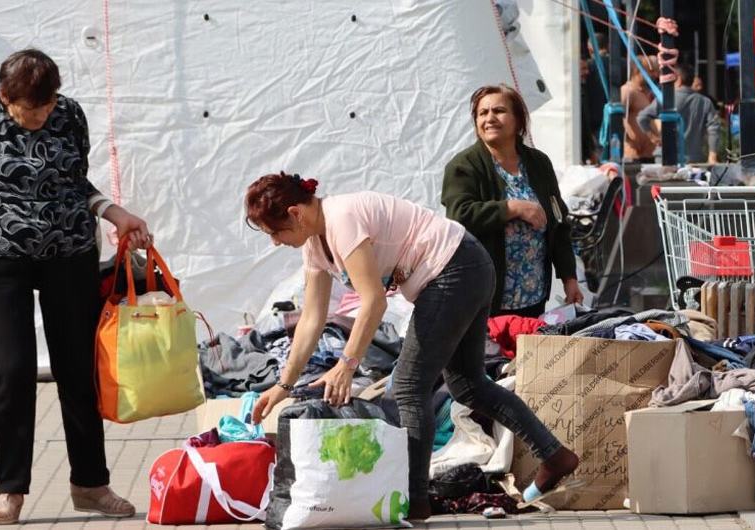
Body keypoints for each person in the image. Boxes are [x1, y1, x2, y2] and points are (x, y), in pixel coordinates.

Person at [245, 173, 580, 521]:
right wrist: (283, 385)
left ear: (296, 213)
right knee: (468, 386)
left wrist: (347, 363)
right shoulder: (316, 244)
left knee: (407, 385)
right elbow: (312, 318)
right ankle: (554, 455)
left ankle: (415, 499)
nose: (274, 242)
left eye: (275, 232)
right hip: (466, 265)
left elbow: (374, 300)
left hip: (456, 267)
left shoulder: (341, 219)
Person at [0, 49, 147, 525]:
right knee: (12, 373)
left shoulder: (70, 114)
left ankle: (90, 484)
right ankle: (11, 490)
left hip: (69, 255)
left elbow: (77, 183)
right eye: (29, 110)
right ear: (4, 97)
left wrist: (115, 213)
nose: (39, 116)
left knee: (78, 371)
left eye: (46, 106)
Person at [442, 85, 583, 317]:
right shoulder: (464, 166)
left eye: (498, 110)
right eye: (482, 113)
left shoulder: (539, 164)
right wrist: (512, 208)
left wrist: (569, 278)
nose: (489, 118)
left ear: (518, 120)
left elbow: (558, 222)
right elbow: (459, 215)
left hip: (533, 294)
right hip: (484, 297)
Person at [638, 63, 721, 164]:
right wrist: (712, 155)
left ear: (679, 79)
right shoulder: (705, 102)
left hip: (665, 157)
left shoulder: (664, 99)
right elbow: (714, 129)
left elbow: (642, 118)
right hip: (693, 159)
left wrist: (653, 137)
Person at [621, 55, 658, 163]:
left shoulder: (649, 92)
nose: (654, 75)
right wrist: (628, 139)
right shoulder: (628, 91)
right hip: (635, 156)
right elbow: (617, 118)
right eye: (650, 71)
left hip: (651, 153)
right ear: (637, 70)